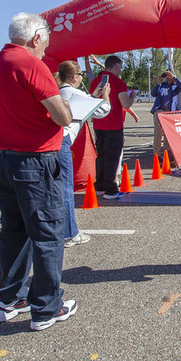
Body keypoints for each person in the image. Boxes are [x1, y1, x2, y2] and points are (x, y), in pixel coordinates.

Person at [0, 12, 76, 331]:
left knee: (13, 232)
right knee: (48, 234)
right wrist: (69, 109)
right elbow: (61, 116)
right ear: (36, 37)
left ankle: (9, 300)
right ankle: (46, 307)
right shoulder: (32, 65)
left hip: (4, 158)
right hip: (34, 162)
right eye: (46, 38)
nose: (47, 45)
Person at [56, 60, 110, 247]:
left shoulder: (60, 91)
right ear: (74, 77)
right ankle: (70, 234)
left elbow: (84, 101)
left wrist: (93, 95)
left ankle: (60, 230)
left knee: (55, 188)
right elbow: (104, 110)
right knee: (65, 188)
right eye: (79, 74)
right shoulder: (74, 92)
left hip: (50, 142)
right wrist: (106, 96)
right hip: (61, 142)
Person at [89, 55, 136, 200]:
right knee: (112, 157)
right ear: (115, 66)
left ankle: (100, 185)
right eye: (120, 67)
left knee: (101, 155)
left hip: (99, 123)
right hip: (113, 125)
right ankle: (110, 188)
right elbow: (126, 104)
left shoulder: (95, 81)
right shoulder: (118, 82)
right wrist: (132, 96)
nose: (120, 70)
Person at [151, 69, 181, 157]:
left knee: (167, 134)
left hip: (169, 112)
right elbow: (153, 93)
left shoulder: (175, 86)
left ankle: (166, 153)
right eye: (166, 76)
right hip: (159, 111)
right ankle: (156, 154)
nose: (167, 78)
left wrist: (174, 78)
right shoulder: (162, 85)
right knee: (158, 133)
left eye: (169, 75)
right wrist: (158, 83)